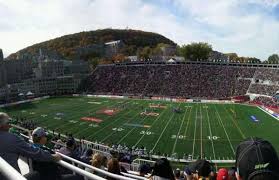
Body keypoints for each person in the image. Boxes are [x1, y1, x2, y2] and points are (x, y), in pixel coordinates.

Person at [0, 112, 61, 180]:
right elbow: (34, 152)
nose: (10, 125)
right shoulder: (11, 138)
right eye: (8, 123)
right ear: (1, 125)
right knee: (36, 174)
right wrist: (52, 157)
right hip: (11, 176)